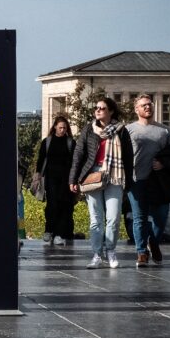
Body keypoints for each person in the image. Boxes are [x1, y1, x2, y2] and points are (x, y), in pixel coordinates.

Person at [69, 96, 134, 269]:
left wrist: (129, 181)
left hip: (114, 175)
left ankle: (111, 251)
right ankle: (97, 254)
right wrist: (73, 179)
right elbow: (78, 154)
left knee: (113, 218)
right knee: (96, 219)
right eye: (96, 108)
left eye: (102, 108)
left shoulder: (121, 130)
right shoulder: (89, 130)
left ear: (111, 111)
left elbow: (128, 157)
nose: (98, 110)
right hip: (93, 175)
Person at [125, 94, 170, 267]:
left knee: (161, 218)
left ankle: (153, 242)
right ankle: (141, 252)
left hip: (159, 181)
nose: (148, 107)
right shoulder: (128, 130)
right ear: (136, 109)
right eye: (143, 105)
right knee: (140, 218)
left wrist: (163, 164)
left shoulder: (165, 131)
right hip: (136, 180)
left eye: (149, 104)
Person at [34, 115, 77, 246]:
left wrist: (74, 179)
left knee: (64, 206)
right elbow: (41, 160)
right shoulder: (47, 142)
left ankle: (59, 234)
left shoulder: (71, 142)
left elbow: (75, 161)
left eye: (64, 128)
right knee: (52, 205)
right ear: (54, 128)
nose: (62, 130)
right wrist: (37, 175)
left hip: (66, 179)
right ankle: (49, 231)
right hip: (50, 178)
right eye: (60, 127)